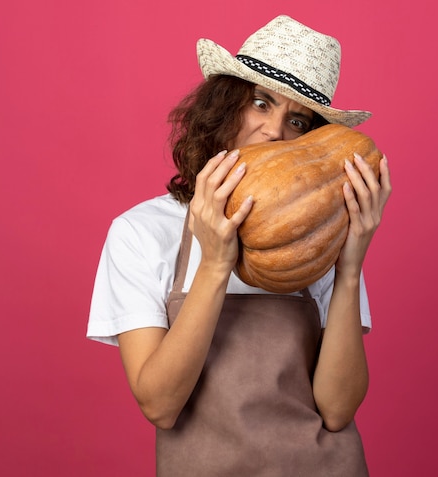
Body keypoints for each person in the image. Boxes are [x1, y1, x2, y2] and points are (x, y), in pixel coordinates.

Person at [87, 15, 391, 476]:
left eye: (296, 120)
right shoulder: (141, 232)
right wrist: (214, 264)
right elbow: (160, 405)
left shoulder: (321, 240)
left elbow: (337, 410)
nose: (273, 131)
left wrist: (349, 266)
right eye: (259, 102)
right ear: (224, 106)